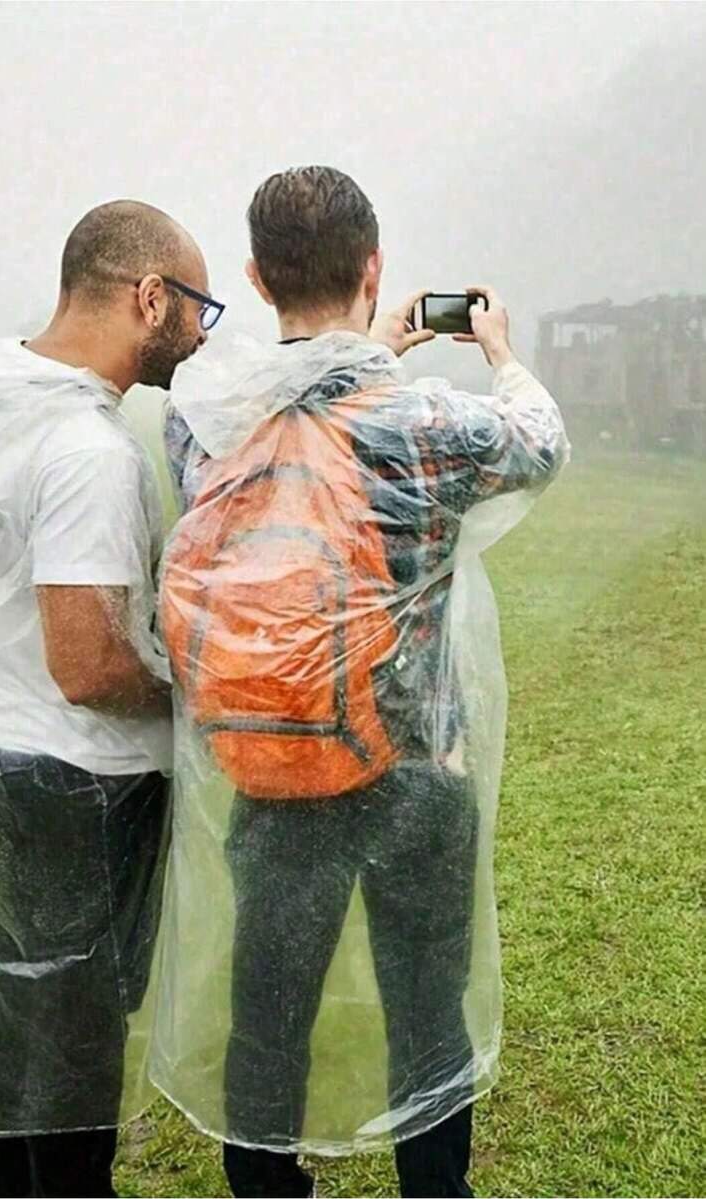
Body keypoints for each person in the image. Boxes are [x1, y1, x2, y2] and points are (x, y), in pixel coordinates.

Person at [153, 166, 569, 1198]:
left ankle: (266, 1186)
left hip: (274, 763)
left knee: (268, 1011)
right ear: (373, 267)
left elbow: (295, 425)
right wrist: (501, 352)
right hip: (418, 769)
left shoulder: (205, 422)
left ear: (257, 278)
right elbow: (540, 442)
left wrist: (360, 351)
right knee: (428, 1009)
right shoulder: (428, 422)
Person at [0, 200, 222, 1198]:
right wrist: (187, 693)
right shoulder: (87, 449)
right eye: (197, 307)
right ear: (149, 297)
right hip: (73, 774)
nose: (202, 334)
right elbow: (87, 664)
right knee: (79, 1012)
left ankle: (3, 1173)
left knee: (23, 981)